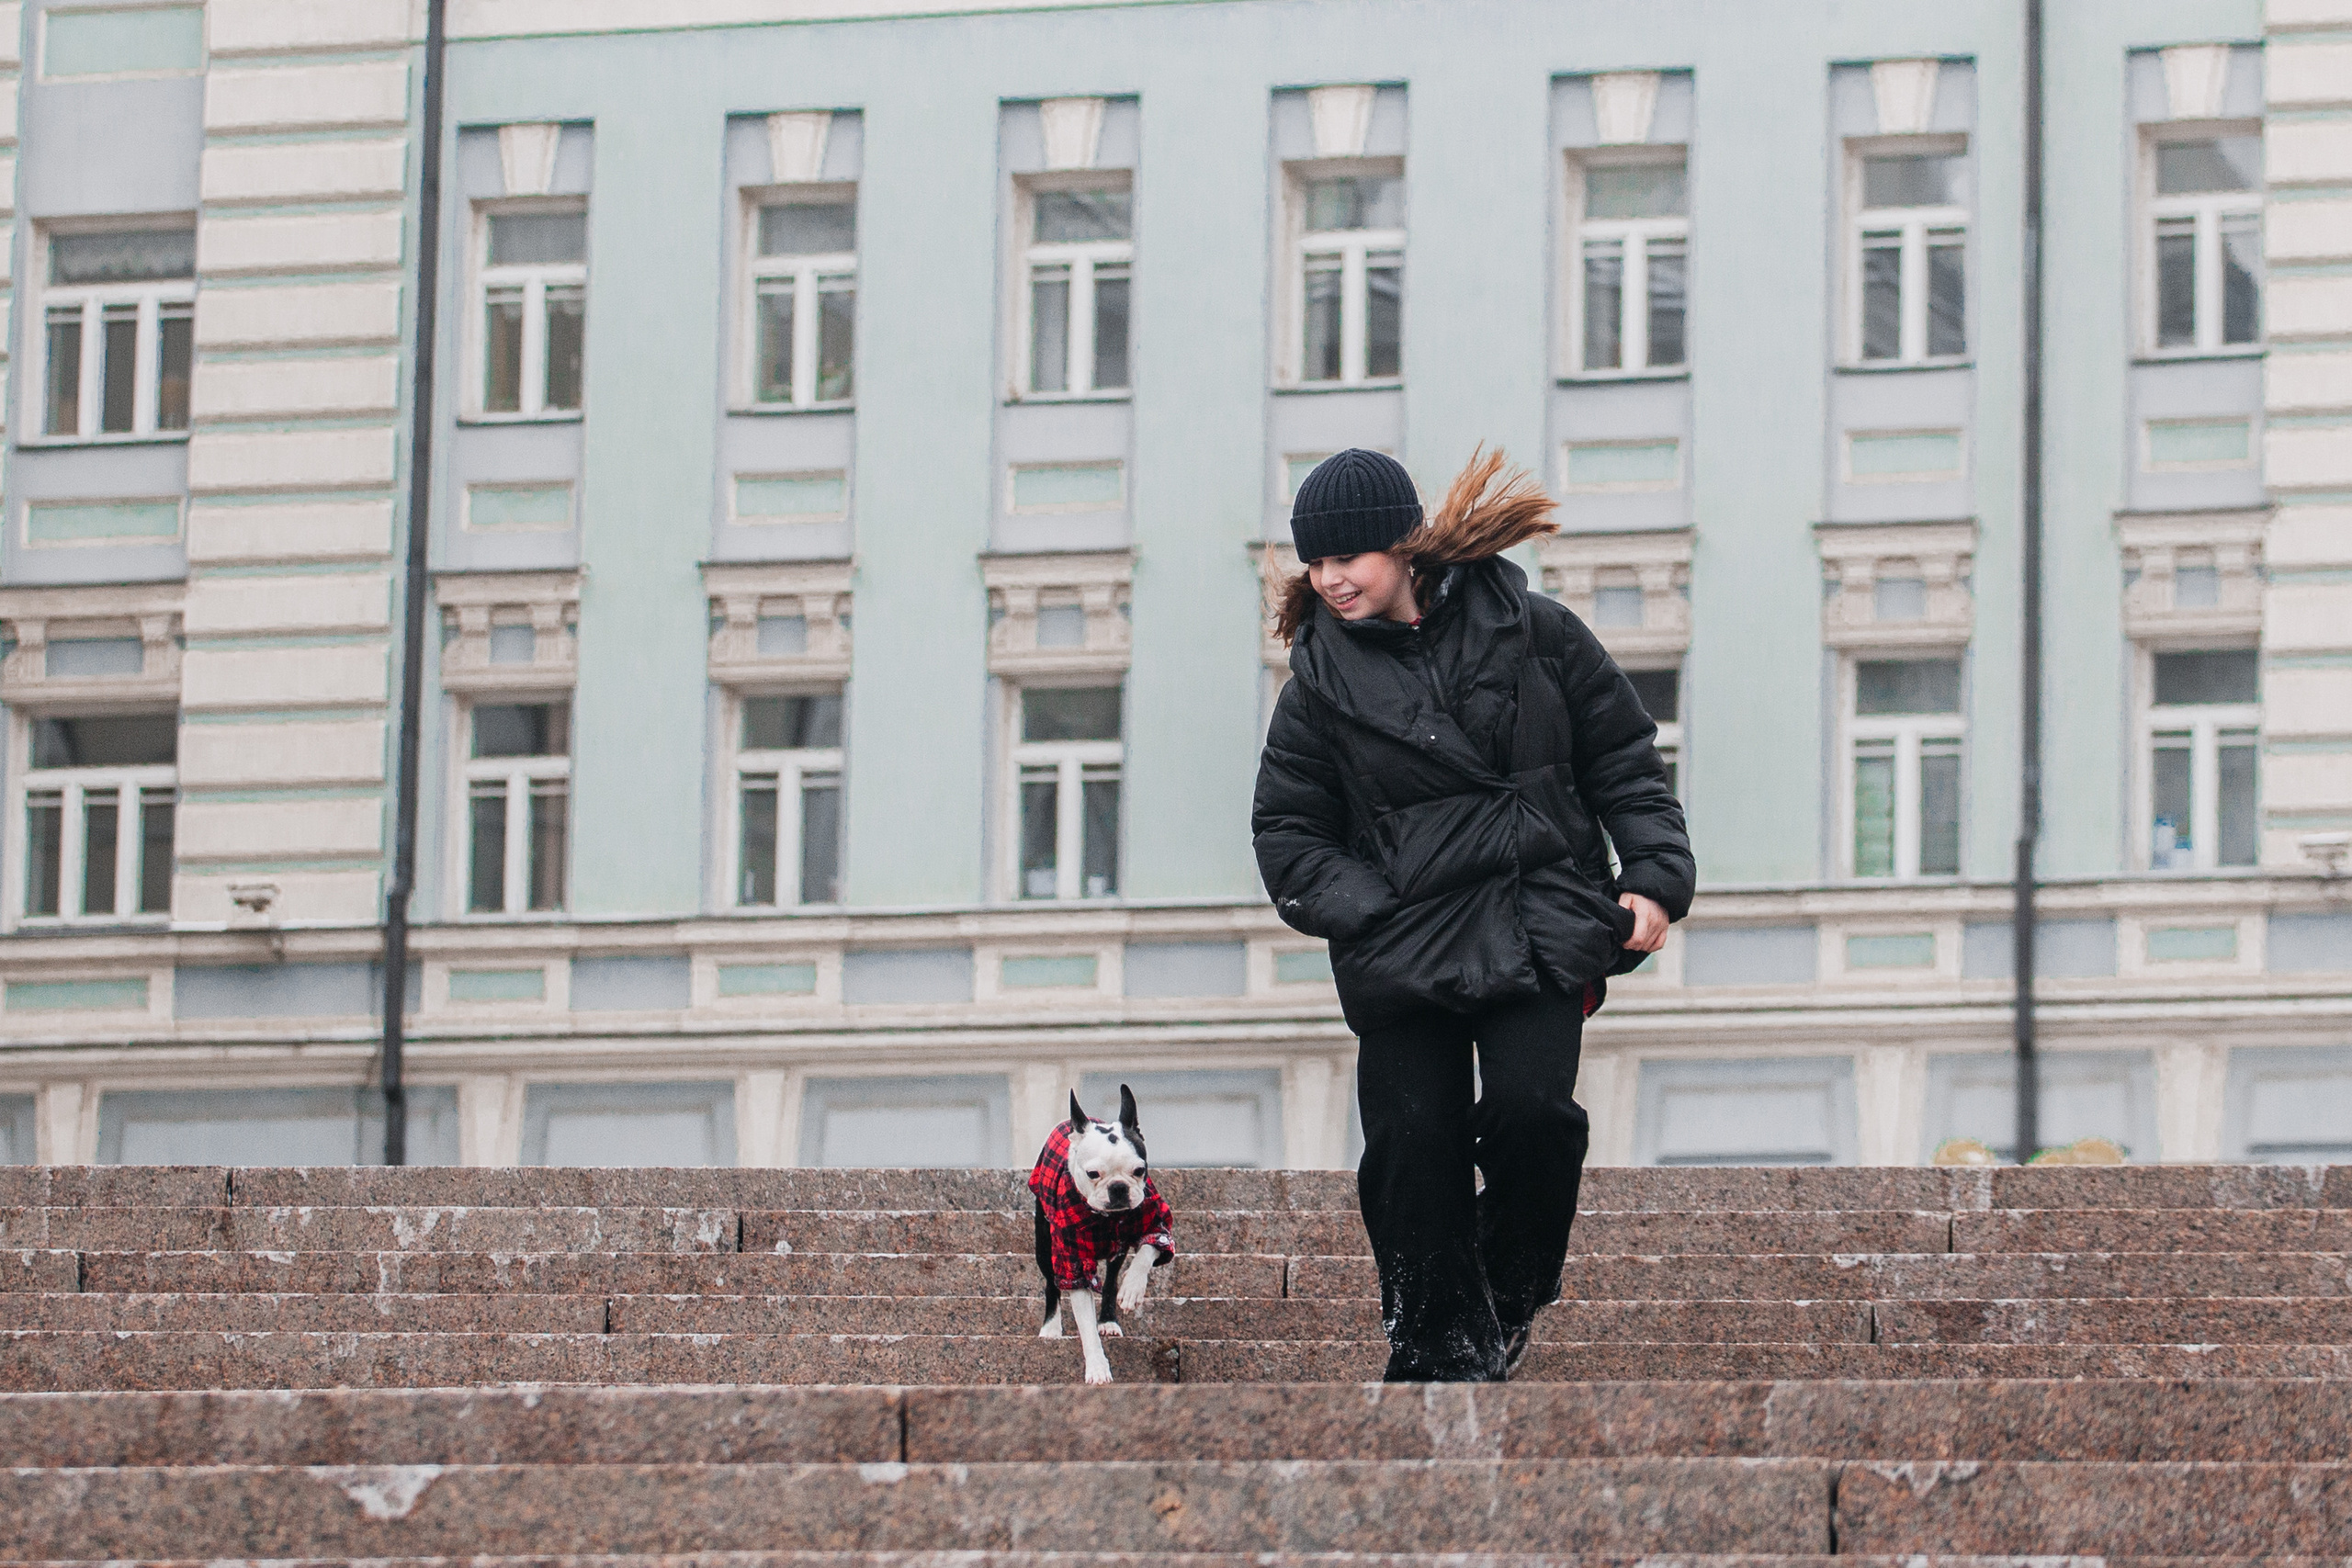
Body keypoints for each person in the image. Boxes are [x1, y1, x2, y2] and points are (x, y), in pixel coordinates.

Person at [1251, 446, 1695, 1382]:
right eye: (1315, 562)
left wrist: (1653, 877)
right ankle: (1434, 1343)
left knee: (1534, 1118)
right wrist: (1373, 908)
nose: (1329, 579)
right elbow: (1288, 833)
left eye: (1347, 557)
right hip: (1405, 948)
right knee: (1413, 1145)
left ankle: (1502, 1293)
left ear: (1404, 547)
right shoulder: (1317, 688)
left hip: (1537, 920)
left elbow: (1623, 759)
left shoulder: (1536, 631)